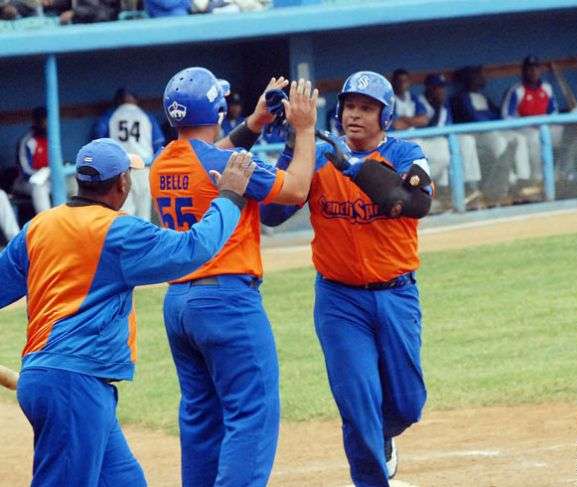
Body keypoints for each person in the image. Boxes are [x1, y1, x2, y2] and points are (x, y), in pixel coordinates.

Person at [0, 137, 254, 487]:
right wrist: (229, 197)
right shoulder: (118, 231)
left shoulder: (40, 227)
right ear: (121, 183)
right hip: (75, 382)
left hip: (58, 380)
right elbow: (195, 248)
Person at [150, 67, 318, 487]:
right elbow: (297, 188)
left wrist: (257, 122)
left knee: (201, 417)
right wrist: (306, 127)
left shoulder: (162, 163)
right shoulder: (225, 162)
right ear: (218, 110)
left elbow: (212, 154)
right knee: (252, 412)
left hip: (180, 304)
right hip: (226, 301)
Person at [261, 70, 430, 486]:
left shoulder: (406, 153)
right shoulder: (316, 158)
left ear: (385, 116)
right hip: (340, 301)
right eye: (350, 106)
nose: (355, 115)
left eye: (367, 109)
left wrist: (351, 165)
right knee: (358, 404)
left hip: (396, 295)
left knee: (408, 404)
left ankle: (385, 436)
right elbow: (271, 214)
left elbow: (411, 202)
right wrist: (292, 148)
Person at [93, 88, 166, 221]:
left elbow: (98, 137)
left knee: (125, 214)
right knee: (144, 215)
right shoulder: (146, 116)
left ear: (118, 100)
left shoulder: (111, 115)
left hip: (120, 171)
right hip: (144, 168)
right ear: (136, 100)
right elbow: (159, 144)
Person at [451, 65, 519, 206]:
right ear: (468, 79)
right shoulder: (461, 97)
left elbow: (498, 115)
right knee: (497, 140)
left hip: (488, 132)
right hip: (472, 134)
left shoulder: (482, 97)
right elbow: (474, 117)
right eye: (477, 75)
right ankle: (508, 180)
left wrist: (488, 116)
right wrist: (488, 116)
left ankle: (522, 180)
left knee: (517, 138)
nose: (481, 78)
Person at [417, 72, 483, 210]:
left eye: (442, 87)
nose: (441, 91)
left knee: (466, 140)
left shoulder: (443, 102)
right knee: (442, 149)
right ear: (429, 88)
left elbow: (448, 127)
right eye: (437, 88)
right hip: (424, 142)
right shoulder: (420, 102)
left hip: (441, 140)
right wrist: (437, 107)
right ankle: (442, 191)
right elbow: (426, 126)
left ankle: (471, 187)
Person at [501, 55, 559, 193]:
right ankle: (536, 179)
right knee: (535, 138)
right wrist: (528, 123)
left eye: (536, 68)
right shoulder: (516, 90)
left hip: (545, 126)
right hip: (523, 129)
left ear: (540, 70)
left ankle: (562, 172)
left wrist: (545, 122)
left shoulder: (547, 88)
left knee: (570, 132)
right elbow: (506, 116)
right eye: (529, 68)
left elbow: (554, 111)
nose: (533, 72)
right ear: (523, 71)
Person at [14, 106, 51, 216]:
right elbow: (24, 171)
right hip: (25, 182)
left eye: (47, 120)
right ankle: (48, 225)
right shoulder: (27, 141)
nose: (46, 124)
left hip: (48, 180)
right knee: (39, 187)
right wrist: (44, 173)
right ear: (36, 122)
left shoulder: (51, 139)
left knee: (73, 181)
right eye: (43, 120)